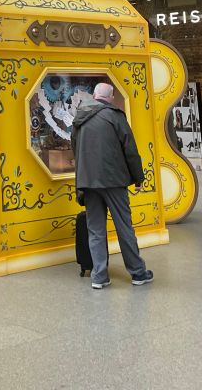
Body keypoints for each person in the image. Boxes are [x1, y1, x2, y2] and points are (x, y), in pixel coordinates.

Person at [71, 82, 153, 290]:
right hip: (113, 180)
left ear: (94, 96)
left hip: (88, 181)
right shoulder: (114, 116)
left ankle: (99, 275)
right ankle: (137, 272)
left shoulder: (79, 119)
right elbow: (130, 149)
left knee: (96, 229)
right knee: (124, 226)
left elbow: (75, 148)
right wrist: (138, 177)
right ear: (110, 98)